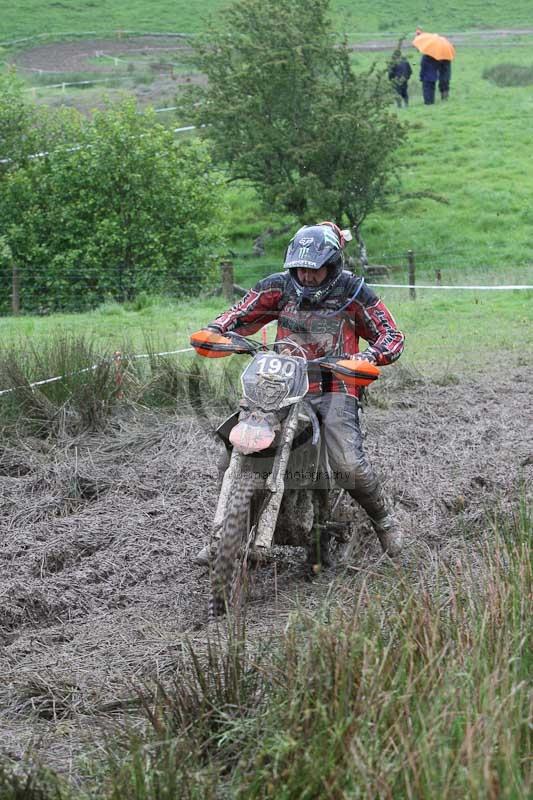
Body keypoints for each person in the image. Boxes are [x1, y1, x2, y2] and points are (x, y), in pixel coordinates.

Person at [194, 222, 405, 566]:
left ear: (332, 265)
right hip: (280, 385)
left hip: (333, 386)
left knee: (347, 463)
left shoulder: (354, 291)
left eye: (314, 269)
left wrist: (368, 356)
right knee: (237, 448)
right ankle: (226, 537)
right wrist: (216, 329)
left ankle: (384, 520)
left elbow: (392, 335)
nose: (305, 277)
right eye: (300, 269)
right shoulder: (278, 286)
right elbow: (241, 310)